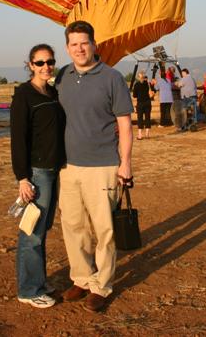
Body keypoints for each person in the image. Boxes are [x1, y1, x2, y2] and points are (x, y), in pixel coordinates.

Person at [55, 21, 134, 312]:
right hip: (67, 166)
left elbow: (125, 125)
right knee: (73, 226)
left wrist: (125, 163)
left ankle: (102, 285)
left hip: (103, 165)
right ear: (67, 48)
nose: (79, 48)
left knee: (104, 230)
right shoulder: (62, 76)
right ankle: (81, 278)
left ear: (94, 44)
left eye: (84, 42)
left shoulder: (112, 78)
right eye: (74, 44)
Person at [10, 44, 66, 308]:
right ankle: (29, 290)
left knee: (42, 230)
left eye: (50, 62)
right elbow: (18, 139)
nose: (46, 67)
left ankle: (38, 281)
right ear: (30, 65)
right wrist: (22, 177)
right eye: (40, 62)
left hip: (55, 169)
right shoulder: (24, 94)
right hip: (37, 171)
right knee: (31, 232)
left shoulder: (53, 92)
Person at [132, 71, 153, 139]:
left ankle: (140, 135)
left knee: (140, 118)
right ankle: (147, 134)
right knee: (147, 117)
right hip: (147, 102)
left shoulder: (136, 84)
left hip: (140, 103)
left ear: (138, 77)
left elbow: (134, 95)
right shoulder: (147, 84)